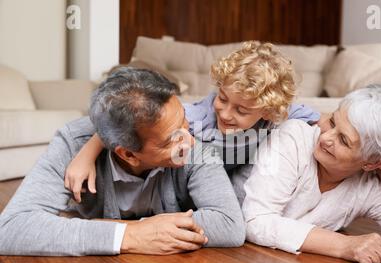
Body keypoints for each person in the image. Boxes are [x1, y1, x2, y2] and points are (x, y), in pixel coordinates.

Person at [0, 68, 245, 256]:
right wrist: (131, 235)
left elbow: (229, 225)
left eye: (184, 122)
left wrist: (98, 227)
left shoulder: (195, 144)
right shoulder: (74, 143)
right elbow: (11, 229)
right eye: (173, 139)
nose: (189, 142)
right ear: (127, 153)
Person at [63, 41, 320, 201]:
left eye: (241, 110)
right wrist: (87, 153)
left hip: (233, 183)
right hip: (189, 188)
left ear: (267, 111)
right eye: (222, 98)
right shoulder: (195, 118)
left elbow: (319, 122)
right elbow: (128, 125)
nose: (226, 113)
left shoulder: (278, 117)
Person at [238, 84, 381, 263]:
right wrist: (344, 245)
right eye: (332, 122)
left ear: (372, 163)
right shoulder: (293, 137)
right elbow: (255, 220)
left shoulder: (369, 187)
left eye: (343, 140)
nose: (326, 138)